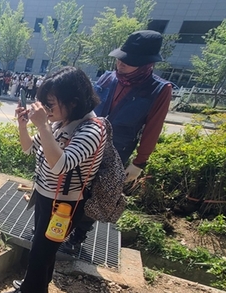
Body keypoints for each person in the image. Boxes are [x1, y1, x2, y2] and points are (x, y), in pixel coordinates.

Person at [0, 66, 106, 293]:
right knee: (45, 246)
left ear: (73, 102)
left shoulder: (91, 130)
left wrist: (43, 125)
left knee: (41, 248)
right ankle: (40, 290)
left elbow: (61, 165)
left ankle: (25, 292)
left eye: (50, 104)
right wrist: (24, 125)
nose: (46, 110)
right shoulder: (59, 122)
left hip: (67, 202)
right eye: (44, 103)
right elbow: (29, 148)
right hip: (46, 194)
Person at [65, 30, 173, 252]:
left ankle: (77, 238)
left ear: (146, 63)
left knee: (99, 192)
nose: (120, 64)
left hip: (116, 150)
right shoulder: (108, 78)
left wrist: (139, 162)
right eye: (120, 58)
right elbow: (86, 107)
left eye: (128, 61)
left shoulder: (159, 90)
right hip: (85, 141)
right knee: (72, 184)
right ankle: (61, 225)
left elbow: (153, 127)